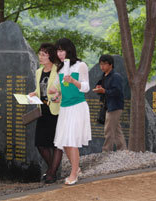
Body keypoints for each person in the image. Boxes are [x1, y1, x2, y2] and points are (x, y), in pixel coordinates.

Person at [53, 38, 91, 185]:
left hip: (77, 107)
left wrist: (73, 81)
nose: (60, 53)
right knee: (65, 142)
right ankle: (77, 168)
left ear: (69, 50)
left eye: (62, 50)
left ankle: (74, 173)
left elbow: (86, 87)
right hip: (65, 108)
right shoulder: (60, 69)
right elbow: (62, 90)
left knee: (72, 140)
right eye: (58, 50)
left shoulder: (81, 66)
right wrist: (57, 95)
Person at [28, 43, 63, 184]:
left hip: (56, 111)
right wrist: (34, 93)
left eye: (43, 54)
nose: (40, 57)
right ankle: (52, 170)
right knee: (41, 144)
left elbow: (62, 90)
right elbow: (41, 89)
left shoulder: (58, 71)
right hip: (43, 111)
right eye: (40, 54)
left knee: (56, 144)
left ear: (51, 56)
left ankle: (51, 173)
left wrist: (58, 93)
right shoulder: (38, 72)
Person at [93, 54, 127, 152]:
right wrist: (99, 89)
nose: (102, 67)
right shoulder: (104, 76)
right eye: (100, 64)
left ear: (111, 64)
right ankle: (123, 150)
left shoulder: (116, 77)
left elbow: (117, 92)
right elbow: (101, 88)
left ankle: (106, 150)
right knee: (116, 130)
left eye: (104, 64)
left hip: (115, 106)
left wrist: (104, 91)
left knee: (108, 129)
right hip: (108, 105)